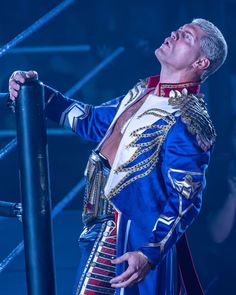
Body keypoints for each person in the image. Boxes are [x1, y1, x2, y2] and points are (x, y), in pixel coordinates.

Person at [8, 18, 227, 295]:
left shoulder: (188, 120)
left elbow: (186, 197)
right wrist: (36, 93)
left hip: (126, 235)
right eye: (179, 30)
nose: (174, 33)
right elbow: (91, 122)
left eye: (186, 36)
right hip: (100, 226)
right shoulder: (144, 91)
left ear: (200, 63)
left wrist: (149, 252)